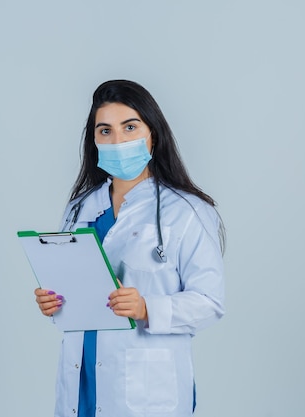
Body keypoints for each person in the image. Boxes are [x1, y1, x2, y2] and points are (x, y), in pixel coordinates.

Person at [34, 80, 225, 417]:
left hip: (145, 389)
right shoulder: (80, 207)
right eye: (105, 130)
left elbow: (209, 303)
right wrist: (55, 302)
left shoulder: (188, 210)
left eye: (130, 127)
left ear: (153, 133)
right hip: (82, 380)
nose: (117, 140)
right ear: (93, 140)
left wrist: (146, 307)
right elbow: (77, 296)